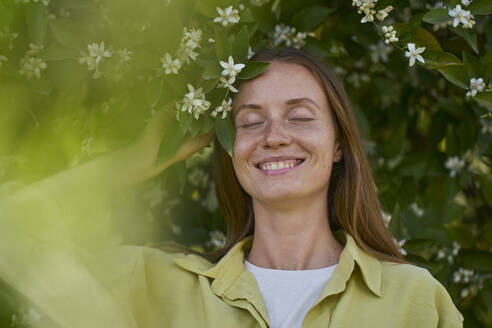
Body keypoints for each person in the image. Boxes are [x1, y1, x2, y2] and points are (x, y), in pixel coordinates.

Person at [0, 47, 464, 328]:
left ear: (340, 144)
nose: (275, 135)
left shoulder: (413, 300)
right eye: (249, 121)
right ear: (228, 147)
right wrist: (146, 156)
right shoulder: (158, 287)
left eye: (300, 116)